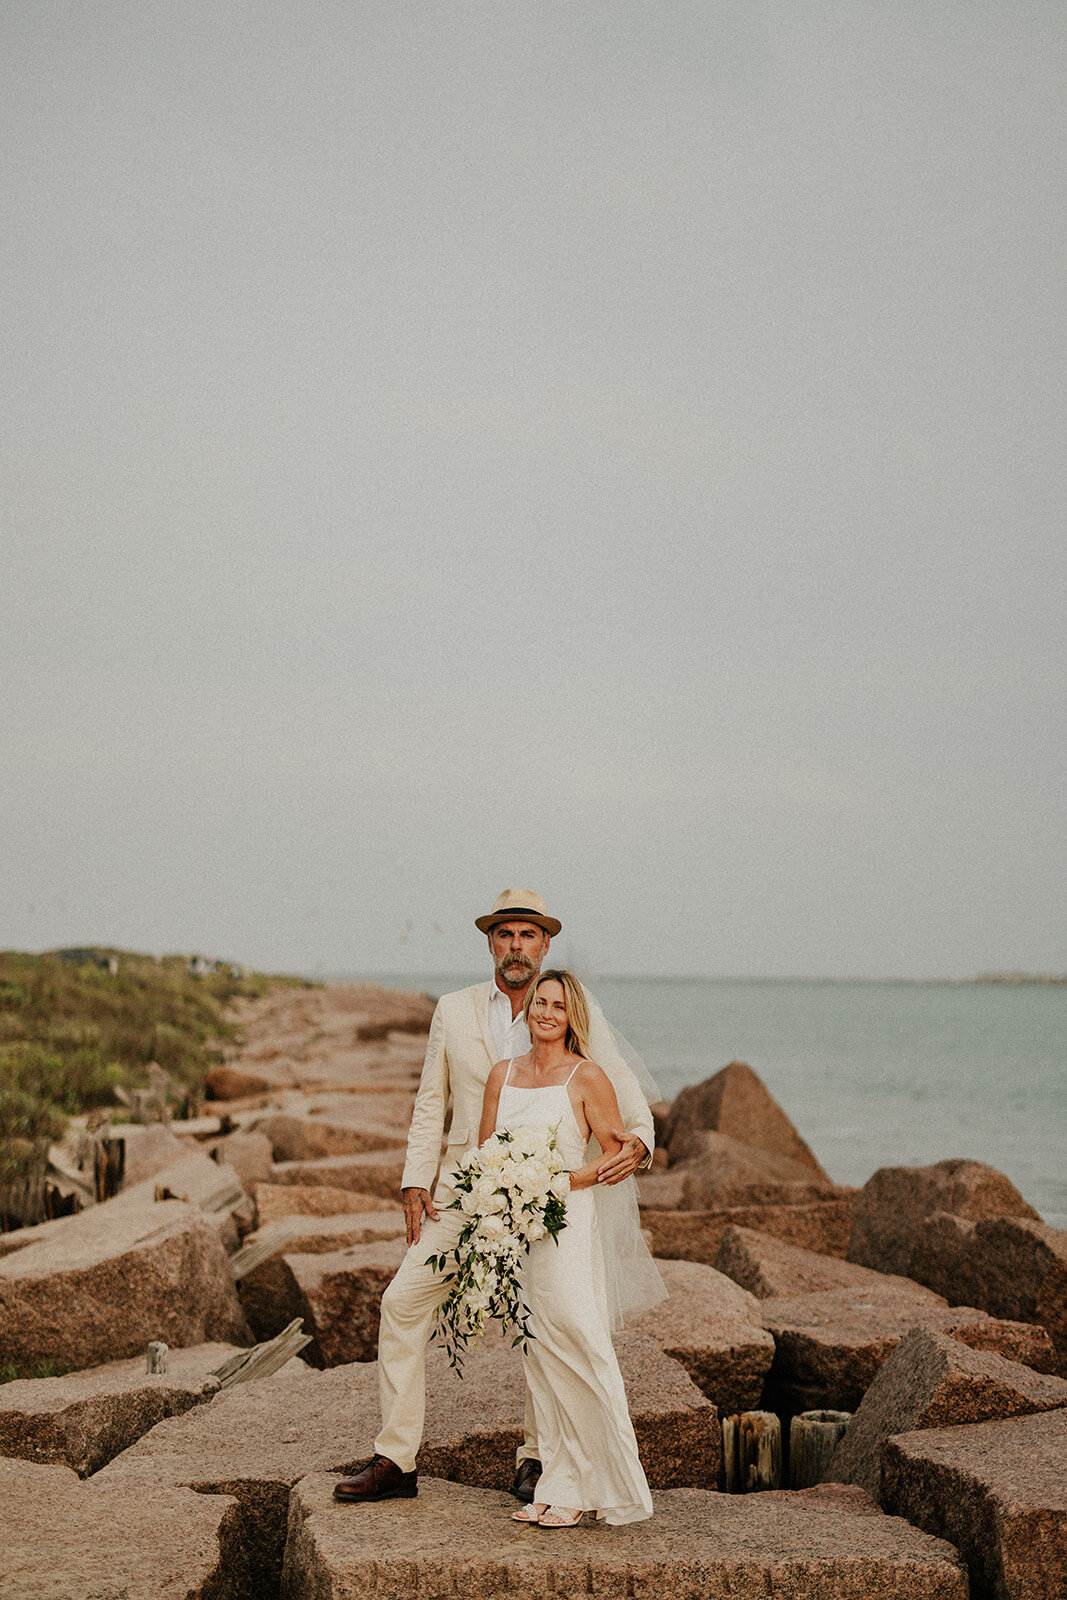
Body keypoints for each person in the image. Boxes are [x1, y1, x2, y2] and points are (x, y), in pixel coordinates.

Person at [333, 889, 656, 1506]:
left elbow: (626, 1097)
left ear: (545, 944)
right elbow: (433, 1101)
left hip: (547, 1209)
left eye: (528, 936)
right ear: (490, 941)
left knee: (542, 1325)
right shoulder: (453, 1011)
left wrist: (637, 1143)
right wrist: (413, 1179)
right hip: (463, 1197)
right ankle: (396, 1460)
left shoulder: (571, 1010)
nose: (516, 947)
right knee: (400, 1302)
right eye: (505, 934)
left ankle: (535, 1459)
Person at [480, 968, 657, 1527]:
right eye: (540, 1002)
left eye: (558, 1005)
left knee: (580, 1344)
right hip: (518, 1232)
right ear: (527, 1008)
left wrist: (557, 1183)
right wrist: (503, 1194)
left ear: (571, 1015)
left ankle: (605, 1486)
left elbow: (614, 1153)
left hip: (566, 1226)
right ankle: (558, 1483)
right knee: (541, 1355)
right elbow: (485, 1153)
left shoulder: (587, 1076)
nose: (547, 1012)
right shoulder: (500, 1074)